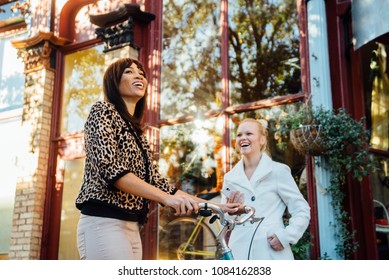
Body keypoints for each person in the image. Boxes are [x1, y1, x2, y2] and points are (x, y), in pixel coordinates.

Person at [75, 58, 239, 260]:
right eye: (129, 72)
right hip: (103, 222)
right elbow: (112, 170)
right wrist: (167, 199)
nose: (138, 76)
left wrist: (218, 207)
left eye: (141, 73)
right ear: (113, 82)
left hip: (132, 227)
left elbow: (158, 183)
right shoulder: (102, 111)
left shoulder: (137, 132)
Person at [221, 118, 310, 260]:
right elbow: (225, 221)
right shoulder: (230, 177)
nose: (243, 138)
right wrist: (230, 212)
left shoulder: (278, 171)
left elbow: (302, 210)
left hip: (270, 250)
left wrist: (285, 237)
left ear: (262, 140)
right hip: (239, 249)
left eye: (249, 133)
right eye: (239, 135)